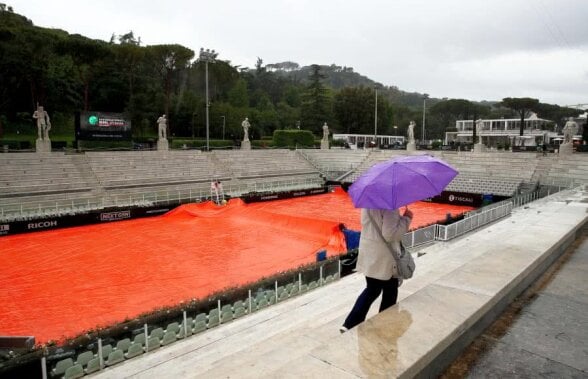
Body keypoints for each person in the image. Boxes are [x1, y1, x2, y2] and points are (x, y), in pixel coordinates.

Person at [340, 206, 413, 332]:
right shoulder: (390, 207)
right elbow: (390, 235)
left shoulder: (367, 204)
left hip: (370, 255)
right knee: (390, 291)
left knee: (372, 289)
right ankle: (384, 325)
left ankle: (349, 324)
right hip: (384, 258)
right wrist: (406, 218)